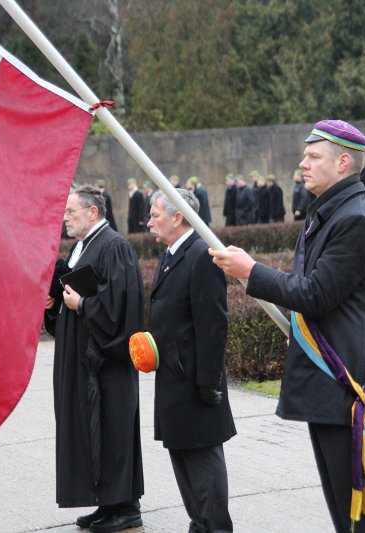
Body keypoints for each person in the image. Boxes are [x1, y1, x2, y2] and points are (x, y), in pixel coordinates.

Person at [209, 120, 365, 533]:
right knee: (344, 506)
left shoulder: (355, 220)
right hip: (331, 385)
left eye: (313, 157)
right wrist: (250, 273)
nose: (302, 164)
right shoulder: (331, 213)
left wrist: (252, 271)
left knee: (363, 514)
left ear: (343, 162)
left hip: (346, 386)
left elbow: (316, 294)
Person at [44, 186, 145, 532]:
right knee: (93, 429)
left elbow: (122, 307)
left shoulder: (114, 246)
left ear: (92, 212)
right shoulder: (82, 247)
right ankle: (106, 502)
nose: (65, 218)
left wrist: (83, 305)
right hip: (84, 361)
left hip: (106, 364)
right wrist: (56, 302)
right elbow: (76, 292)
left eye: (71, 212)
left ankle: (126, 506)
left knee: (113, 428)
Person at [146, 188, 236, 533]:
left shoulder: (201, 255)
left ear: (177, 216)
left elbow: (213, 324)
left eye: (155, 214)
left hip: (195, 379)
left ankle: (215, 527)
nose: (149, 221)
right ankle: (199, 523)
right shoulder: (171, 254)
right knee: (182, 456)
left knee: (202, 461)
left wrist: (208, 383)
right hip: (172, 376)